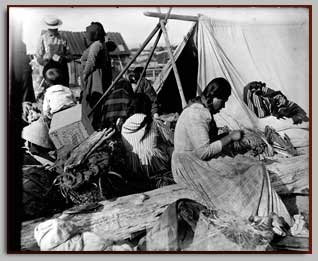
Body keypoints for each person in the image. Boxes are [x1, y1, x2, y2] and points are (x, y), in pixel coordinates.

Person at [172, 77, 293, 233]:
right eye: (223, 101)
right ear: (214, 97)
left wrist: (229, 138)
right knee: (247, 171)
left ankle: (263, 214)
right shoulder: (197, 114)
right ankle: (255, 214)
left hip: (192, 160)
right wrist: (229, 137)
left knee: (249, 165)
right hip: (190, 165)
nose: (223, 106)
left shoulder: (200, 109)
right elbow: (203, 152)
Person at [121, 93, 170, 181]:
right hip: (155, 165)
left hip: (134, 166)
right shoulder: (153, 122)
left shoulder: (124, 125)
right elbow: (169, 140)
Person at [80, 22, 113, 129]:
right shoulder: (100, 44)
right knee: (95, 103)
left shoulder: (96, 45)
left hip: (93, 78)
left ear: (94, 34)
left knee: (91, 103)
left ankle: (90, 128)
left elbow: (91, 62)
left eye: (88, 33)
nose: (86, 35)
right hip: (96, 76)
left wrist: (84, 76)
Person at [35, 16, 72, 86]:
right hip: (49, 69)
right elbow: (38, 56)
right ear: (48, 27)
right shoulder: (43, 38)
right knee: (50, 91)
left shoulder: (63, 38)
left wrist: (63, 59)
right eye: (52, 28)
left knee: (63, 89)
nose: (54, 29)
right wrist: (45, 62)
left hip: (62, 68)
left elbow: (70, 56)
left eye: (55, 27)